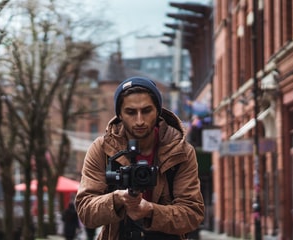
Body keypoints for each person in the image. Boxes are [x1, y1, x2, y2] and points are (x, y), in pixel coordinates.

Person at [75, 76, 204, 240]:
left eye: (146, 111)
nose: (139, 120)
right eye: (130, 112)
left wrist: (150, 210)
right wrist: (117, 199)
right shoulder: (102, 149)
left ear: (157, 111)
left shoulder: (180, 151)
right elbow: (86, 212)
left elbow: (192, 214)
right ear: (119, 114)